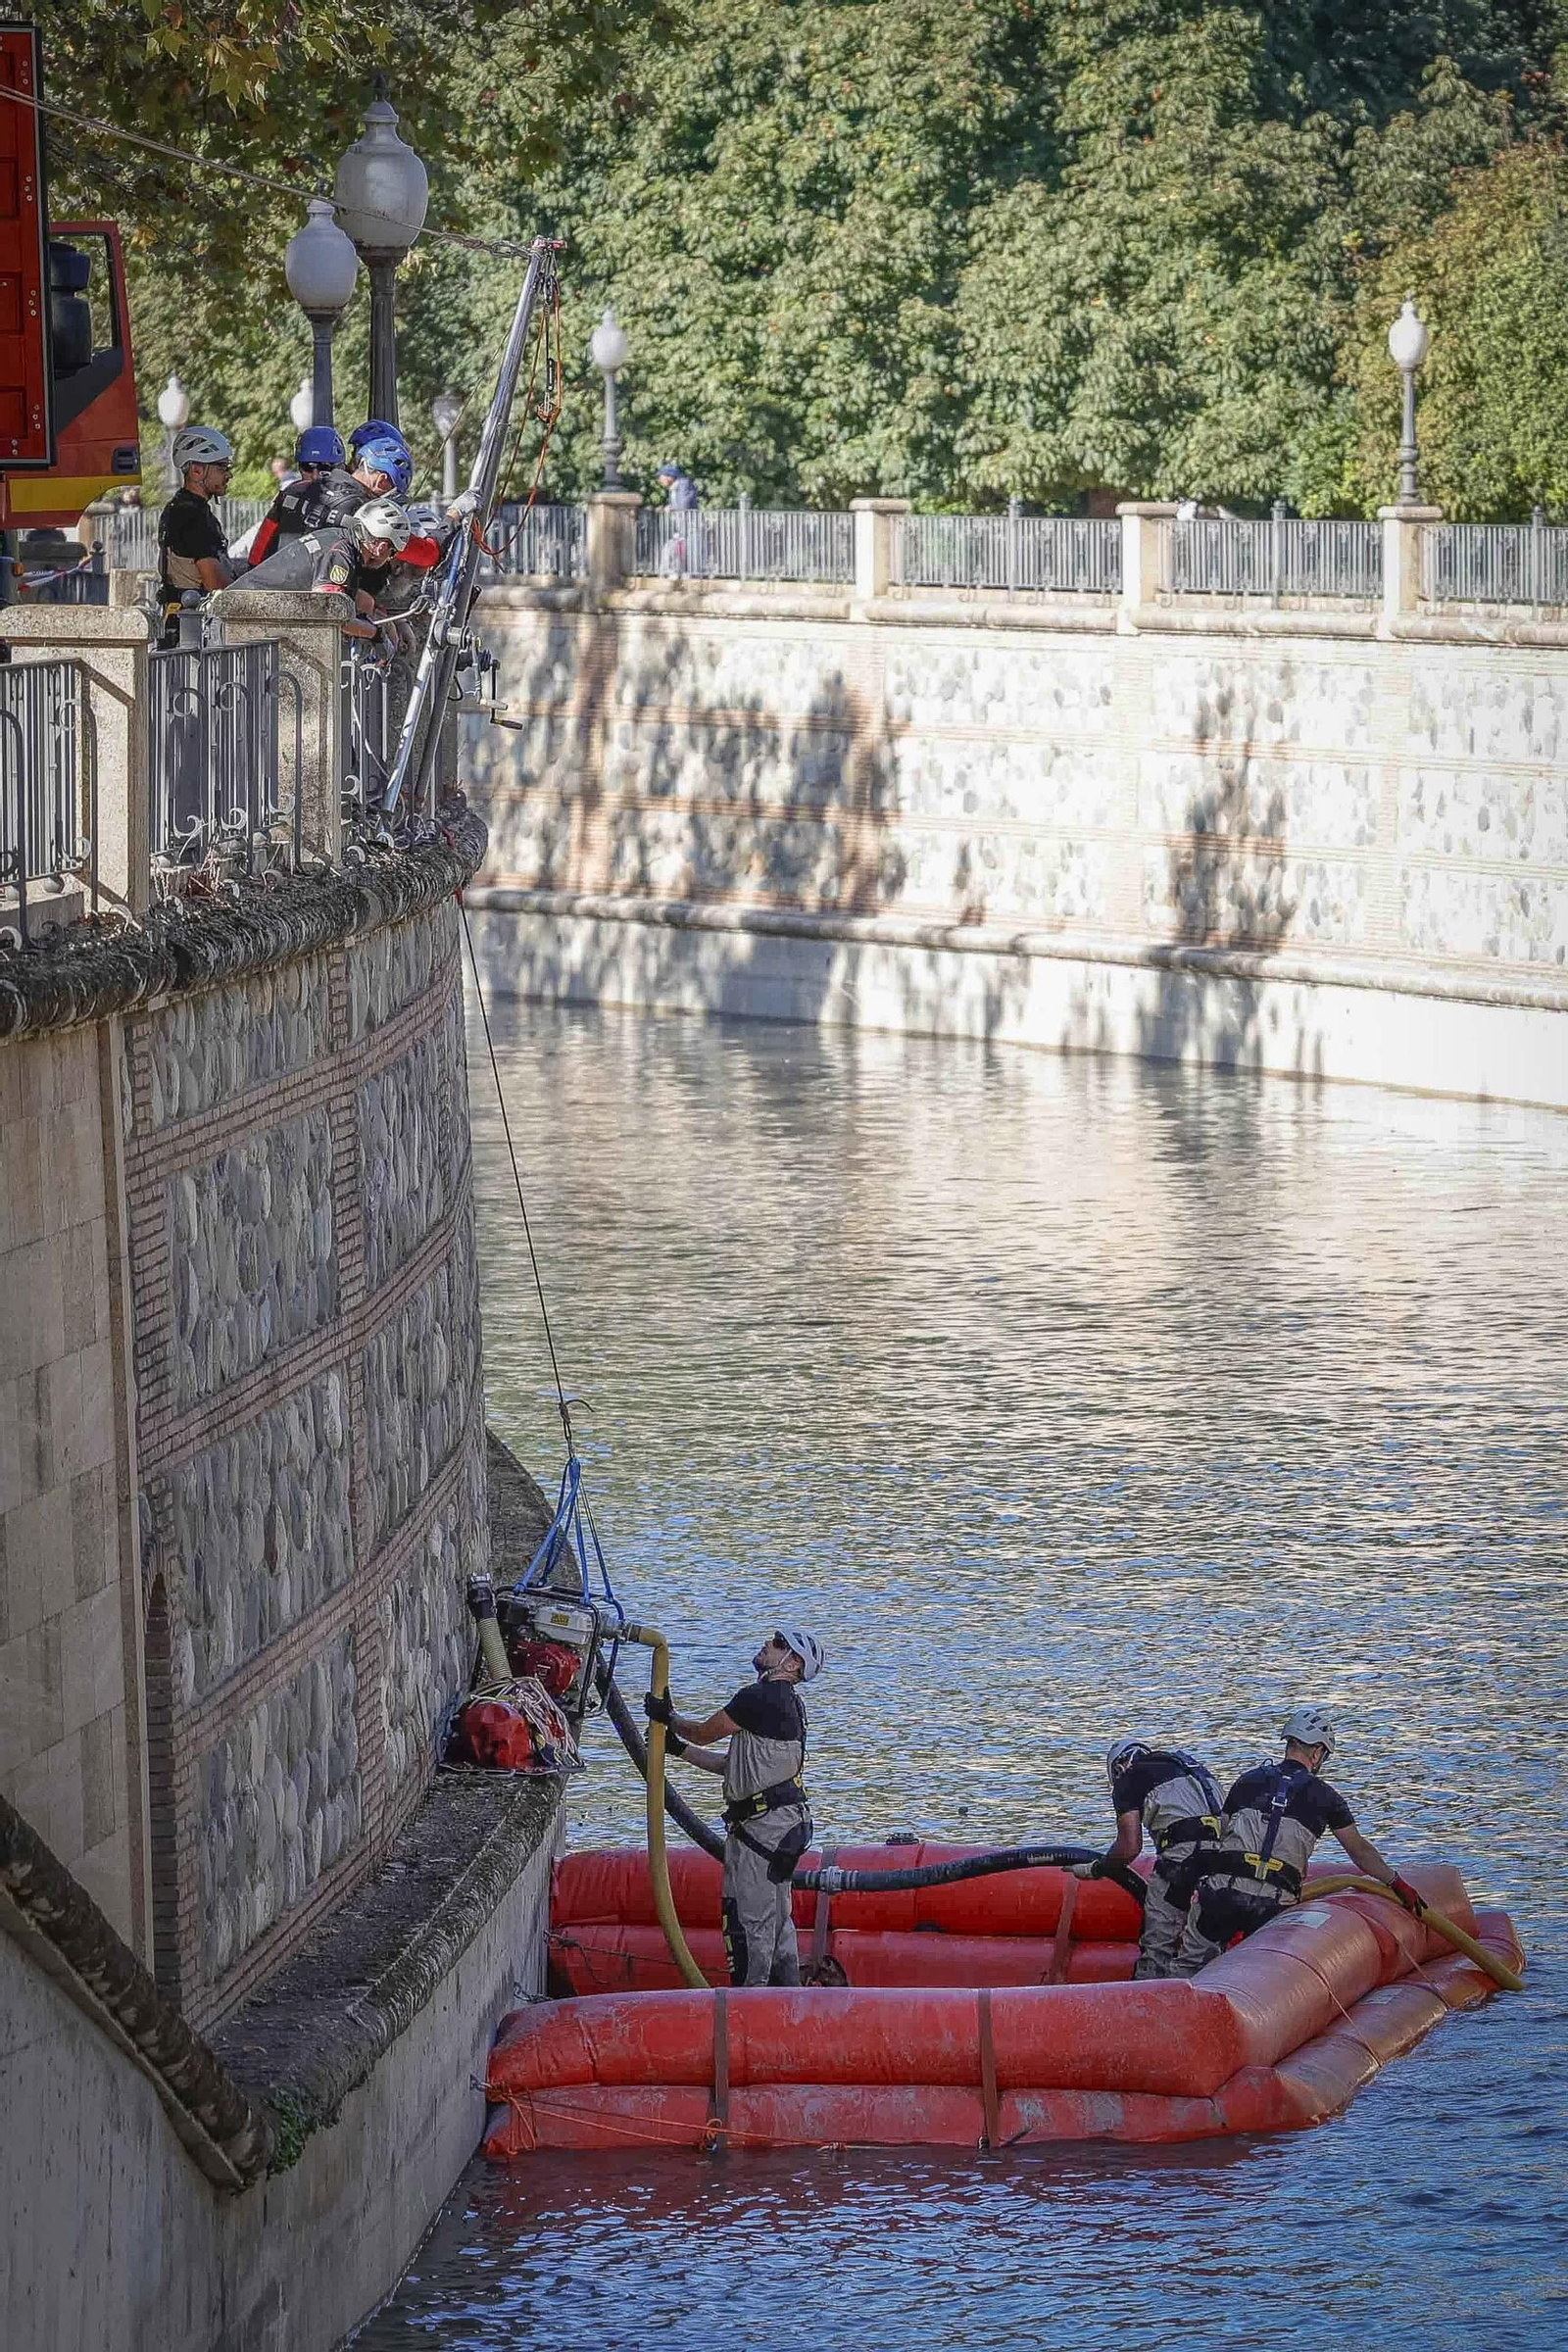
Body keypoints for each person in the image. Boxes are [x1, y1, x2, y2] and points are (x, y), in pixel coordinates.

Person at [1170, 1708, 1426, 1978]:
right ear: (1316, 1753)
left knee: (1188, 1968)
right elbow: (1359, 1851)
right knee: (1261, 1978)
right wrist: (1395, 1882)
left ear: (1289, 1745)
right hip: (1273, 1905)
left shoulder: (1247, 1780)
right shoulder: (1327, 1797)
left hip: (1222, 1896)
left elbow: (1222, 1831)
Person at [645, 1627, 823, 1987]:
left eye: (777, 1644)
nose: (767, 1644)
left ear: (793, 1664)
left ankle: (751, 2003)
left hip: (764, 1827)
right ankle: (787, 1996)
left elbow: (704, 1732)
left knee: (751, 1920)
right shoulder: (787, 1706)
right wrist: (677, 1750)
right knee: (778, 1920)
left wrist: (669, 1718)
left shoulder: (758, 1698)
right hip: (783, 1823)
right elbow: (730, 1766)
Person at [1072, 1739, 1225, 1979]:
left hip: (1182, 1861)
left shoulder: (1129, 1778)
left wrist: (1098, 1868)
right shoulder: (1192, 1768)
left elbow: (1129, 1847)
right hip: (1224, 1862)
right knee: (1206, 1945)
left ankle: (1149, 1996)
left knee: (1157, 1946)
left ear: (1119, 1767)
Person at [228, 498, 415, 640]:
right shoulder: (339, 553)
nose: (389, 558)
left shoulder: (337, 538)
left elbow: (347, 600)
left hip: (245, 614)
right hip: (238, 621)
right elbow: (330, 614)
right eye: (392, 552)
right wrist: (376, 634)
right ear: (381, 547)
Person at [246, 428, 412, 568]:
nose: (317, 475)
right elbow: (258, 551)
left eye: (326, 468)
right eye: (308, 467)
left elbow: (255, 557)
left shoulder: (292, 492)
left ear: (342, 465)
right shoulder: (363, 508)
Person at [157, 424, 238, 639]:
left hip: (178, 616)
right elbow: (214, 583)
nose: (228, 475)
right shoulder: (192, 514)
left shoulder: (179, 507)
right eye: (221, 468)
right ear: (196, 470)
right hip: (193, 624)